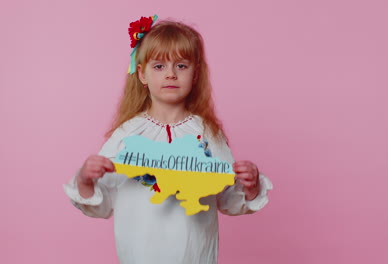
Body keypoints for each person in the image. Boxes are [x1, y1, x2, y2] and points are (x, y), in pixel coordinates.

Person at [63, 15, 273, 264]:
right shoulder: (127, 135)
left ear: (195, 75)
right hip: (139, 254)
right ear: (142, 74)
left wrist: (250, 185)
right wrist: (86, 178)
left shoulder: (207, 134)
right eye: (159, 66)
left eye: (181, 66)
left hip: (195, 256)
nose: (171, 74)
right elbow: (103, 203)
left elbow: (227, 199)